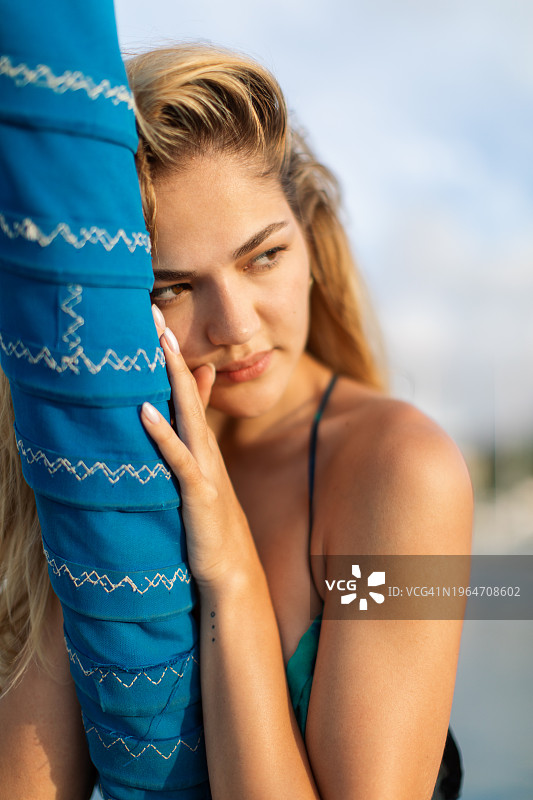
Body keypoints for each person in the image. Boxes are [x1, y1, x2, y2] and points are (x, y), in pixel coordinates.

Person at [0, 43, 472, 799]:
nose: (234, 324)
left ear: (310, 239)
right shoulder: (121, 464)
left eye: (263, 258)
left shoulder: (399, 472)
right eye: (173, 290)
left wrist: (231, 574)